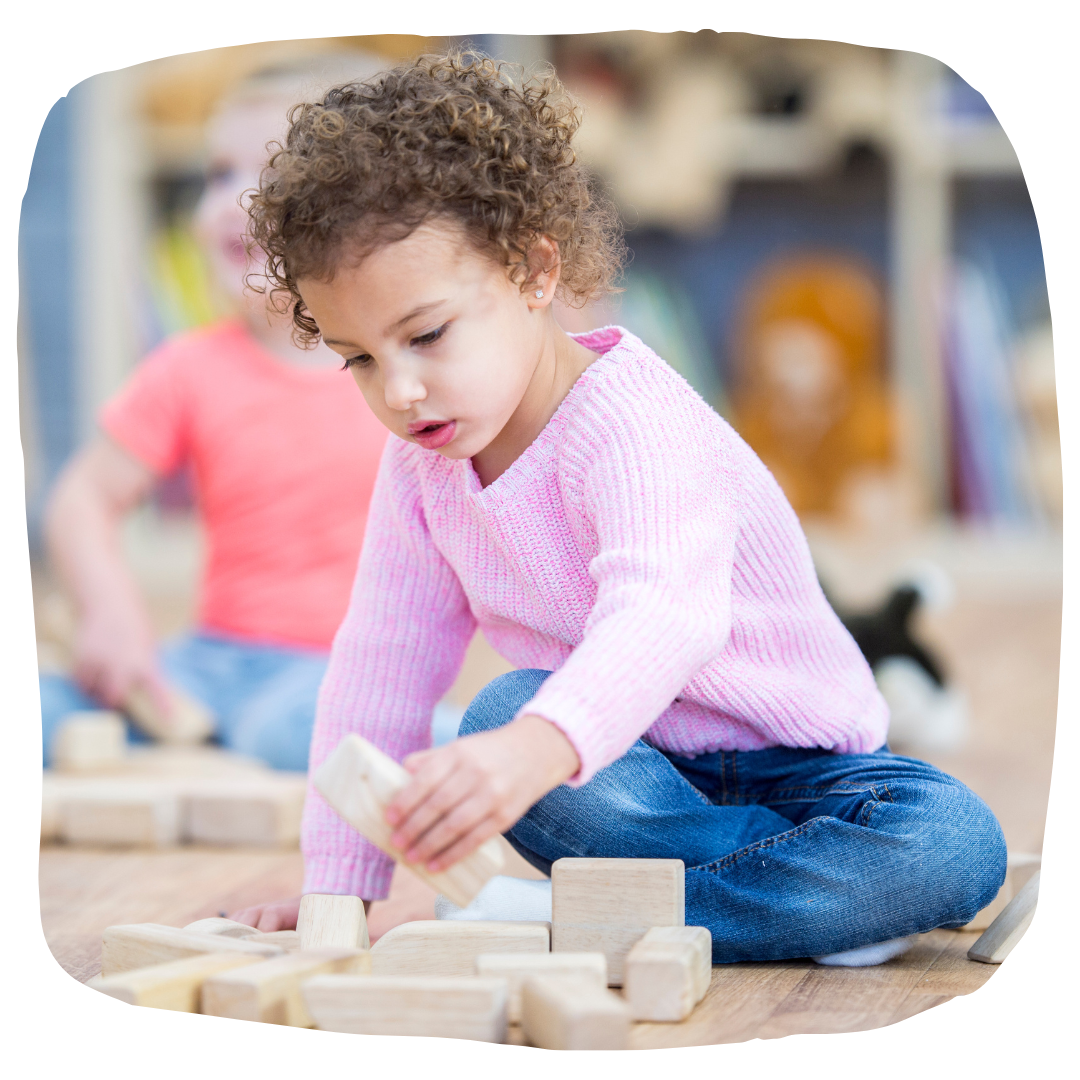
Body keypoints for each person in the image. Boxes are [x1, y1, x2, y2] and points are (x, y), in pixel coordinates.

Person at [233, 52, 1005, 964]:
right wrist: (338, 890)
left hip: (805, 778)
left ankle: (589, 918)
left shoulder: (633, 422)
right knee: (500, 712)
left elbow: (663, 616)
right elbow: (380, 665)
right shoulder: (421, 468)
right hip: (626, 778)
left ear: (534, 271)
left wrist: (536, 750)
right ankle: (800, 906)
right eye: (359, 357)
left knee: (954, 839)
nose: (399, 391)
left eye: (428, 335)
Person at [39, 66, 389, 771]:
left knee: (301, 727)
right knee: (51, 707)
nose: (232, 201)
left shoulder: (401, 377)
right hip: (203, 663)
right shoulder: (188, 368)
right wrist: (110, 613)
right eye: (219, 172)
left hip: (336, 669)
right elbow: (81, 498)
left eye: (273, 176)